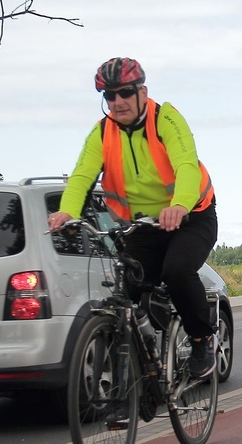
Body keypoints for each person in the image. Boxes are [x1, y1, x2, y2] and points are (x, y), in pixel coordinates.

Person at [47, 57, 218, 379]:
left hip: (193, 215)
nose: (117, 101)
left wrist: (180, 204)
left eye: (125, 92)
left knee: (178, 271)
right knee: (128, 291)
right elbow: (82, 176)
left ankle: (200, 340)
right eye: (109, 95)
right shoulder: (102, 133)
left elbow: (185, 166)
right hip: (144, 226)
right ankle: (142, 369)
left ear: (142, 91)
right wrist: (67, 210)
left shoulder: (164, 118)